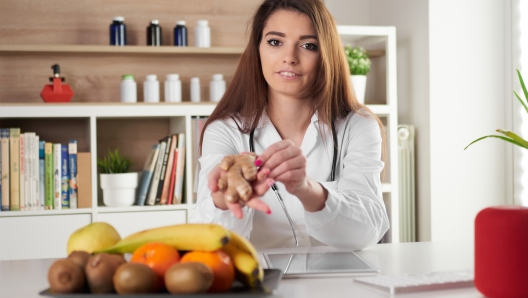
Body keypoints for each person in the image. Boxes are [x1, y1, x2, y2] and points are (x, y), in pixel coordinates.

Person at [190, 0, 389, 250]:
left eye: (308, 45)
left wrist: (307, 190)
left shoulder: (358, 126)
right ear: (257, 48)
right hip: (259, 282)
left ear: (325, 54)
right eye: (275, 42)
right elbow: (207, 239)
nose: (289, 58)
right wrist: (225, 195)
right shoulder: (224, 130)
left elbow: (367, 232)